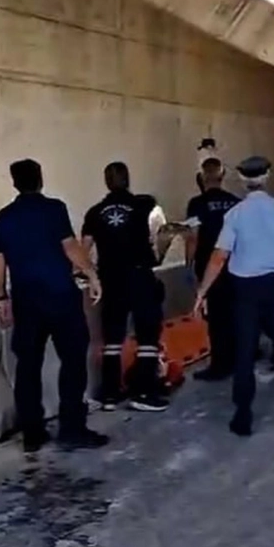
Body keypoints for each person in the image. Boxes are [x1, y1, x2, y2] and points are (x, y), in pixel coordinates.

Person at [0, 159, 108, 452]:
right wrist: (92, 274)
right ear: (40, 179)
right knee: (72, 360)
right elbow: (70, 248)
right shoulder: (54, 209)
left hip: (26, 301)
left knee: (28, 366)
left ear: (14, 183)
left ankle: (32, 433)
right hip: (60, 297)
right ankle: (72, 428)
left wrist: (1, 298)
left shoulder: (3, 217)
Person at [194, 156, 274, 435]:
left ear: (242, 180)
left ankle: (243, 417)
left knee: (244, 354)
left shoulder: (235, 215)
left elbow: (219, 257)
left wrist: (203, 291)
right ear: (267, 176)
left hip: (245, 291)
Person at [82, 162, 169, 412]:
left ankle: (110, 393)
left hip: (110, 278)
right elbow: (158, 236)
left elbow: (84, 247)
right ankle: (143, 390)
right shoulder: (144, 205)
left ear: (106, 182)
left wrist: (89, 274)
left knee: (113, 335)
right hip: (139, 276)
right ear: (128, 179)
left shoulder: (94, 212)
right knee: (147, 334)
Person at [185, 158, 241, 381]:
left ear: (202, 177)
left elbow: (192, 238)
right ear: (222, 176)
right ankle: (241, 356)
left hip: (209, 266)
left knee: (216, 317)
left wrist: (188, 266)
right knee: (236, 312)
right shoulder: (235, 203)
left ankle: (220, 364)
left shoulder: (196, 204)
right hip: (235, 265)